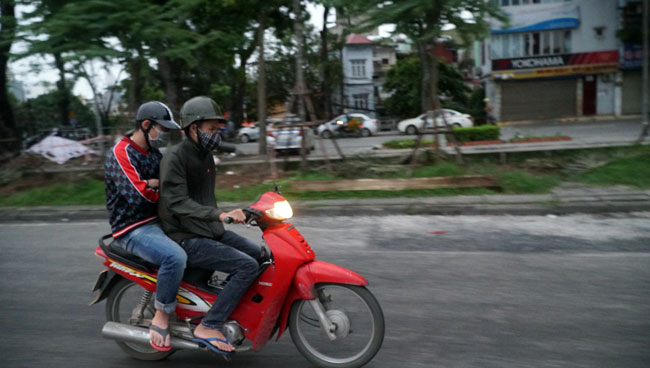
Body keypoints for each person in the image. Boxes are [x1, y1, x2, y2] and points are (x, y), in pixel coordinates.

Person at [158, 96, 263, 355]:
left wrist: (254, 211)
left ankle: (231, 311)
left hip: (206, 230)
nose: (216, 135)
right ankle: (210, 324)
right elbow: (178, 203)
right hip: (184, 235)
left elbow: (204, 200)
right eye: (211, 129)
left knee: (261, 255)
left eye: (218, 130)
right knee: (245, 265)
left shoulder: (204, 155)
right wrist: (220, 215)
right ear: (193, 127)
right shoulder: (175, 157)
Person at [104, 101, 186, 352]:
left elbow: (165, 183)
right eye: (159, 129)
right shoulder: (120, 152)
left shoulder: (153, 153)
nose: (161, 135)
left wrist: (155, 184)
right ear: (146, 125)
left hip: (158, 220)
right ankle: (161, 316)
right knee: (174, 257)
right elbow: (138, 195)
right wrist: (153, 186)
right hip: (132, 228)